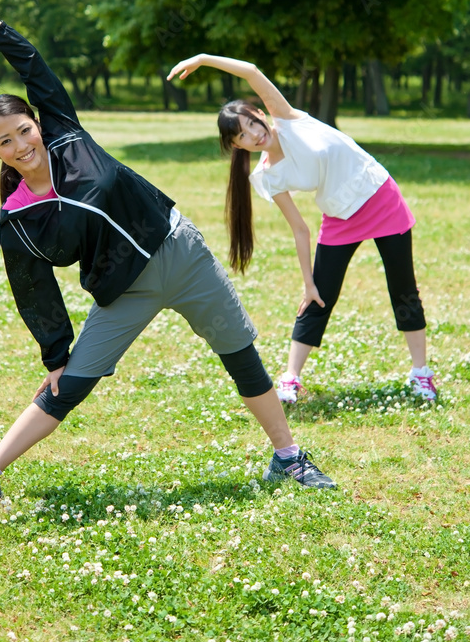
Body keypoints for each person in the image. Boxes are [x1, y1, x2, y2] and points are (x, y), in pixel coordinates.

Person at [0, 0, 336, 507]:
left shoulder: (68, 136)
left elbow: (31, 62)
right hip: (124, 291)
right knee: (67, 386)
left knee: (241, 357)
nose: (20, 144)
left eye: (24, 130)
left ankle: (288, 456)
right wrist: (55, 354)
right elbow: (33, 290)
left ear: (38, 124)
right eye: (5, 141)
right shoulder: (18, 217)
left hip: (181, 253)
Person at [167, 53, 436, 405]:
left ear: (260, 114)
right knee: (317, 297)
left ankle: (421, 374)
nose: (254, 135)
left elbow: (251, 70)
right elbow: (300, 229)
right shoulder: (266, 176)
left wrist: (203, 59)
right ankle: (291, 379)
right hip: (340, 216)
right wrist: (308, 282)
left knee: (402, 288)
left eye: (252, 124)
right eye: (243, 136)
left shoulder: (289, 119)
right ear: (236, 145)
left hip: (380, 197)